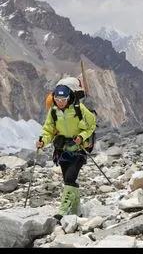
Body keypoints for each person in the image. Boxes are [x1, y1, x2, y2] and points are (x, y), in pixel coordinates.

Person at [36, 84, 96, 218]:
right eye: (57, 99)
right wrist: (43, 141)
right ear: (54, 98)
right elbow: (48, 130)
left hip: (80, 148)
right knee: (69, 181)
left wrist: (82, 137)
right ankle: (75, 212)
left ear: (69, 98)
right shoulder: (53, 111)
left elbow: (91, 125)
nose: (60, 102)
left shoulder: (78, 108)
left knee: (70, 177)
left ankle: (62, 212)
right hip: (63, 150)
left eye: (63, 99)